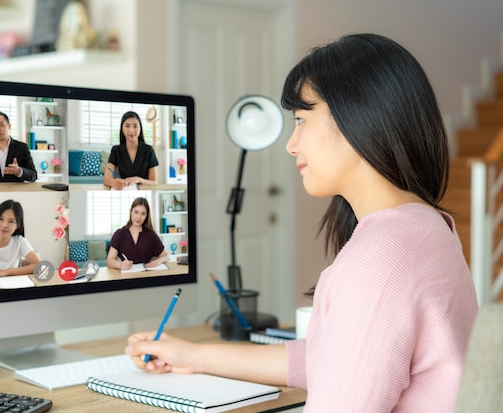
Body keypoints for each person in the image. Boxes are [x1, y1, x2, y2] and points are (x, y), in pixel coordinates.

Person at [124, 33, 479, 412]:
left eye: (301, 120)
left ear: (358, 116)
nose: (291, 144)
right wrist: (193, 357)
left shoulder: (382, 257)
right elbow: (333, 358)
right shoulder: (425, 226)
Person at [107, 197, 168, 270]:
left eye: (143, 214)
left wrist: (158, 261)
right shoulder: (119, 234)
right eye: (136, 212)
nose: (138, 217)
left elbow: (166, 256)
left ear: (146, 216)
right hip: (126, 276)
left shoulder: (151, 235)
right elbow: (109, 260)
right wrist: (120, 264)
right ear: (131, 212)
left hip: (146, 275)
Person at [103, 111, 158, 190]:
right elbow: (106, 178)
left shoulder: (149, 150)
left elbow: (154, 182)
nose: (131, 130)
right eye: (127, 126)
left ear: (140, 128)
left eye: (135, 126)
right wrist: (113, 182)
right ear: (122, 128)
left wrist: (138, 179)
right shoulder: (116, 150)